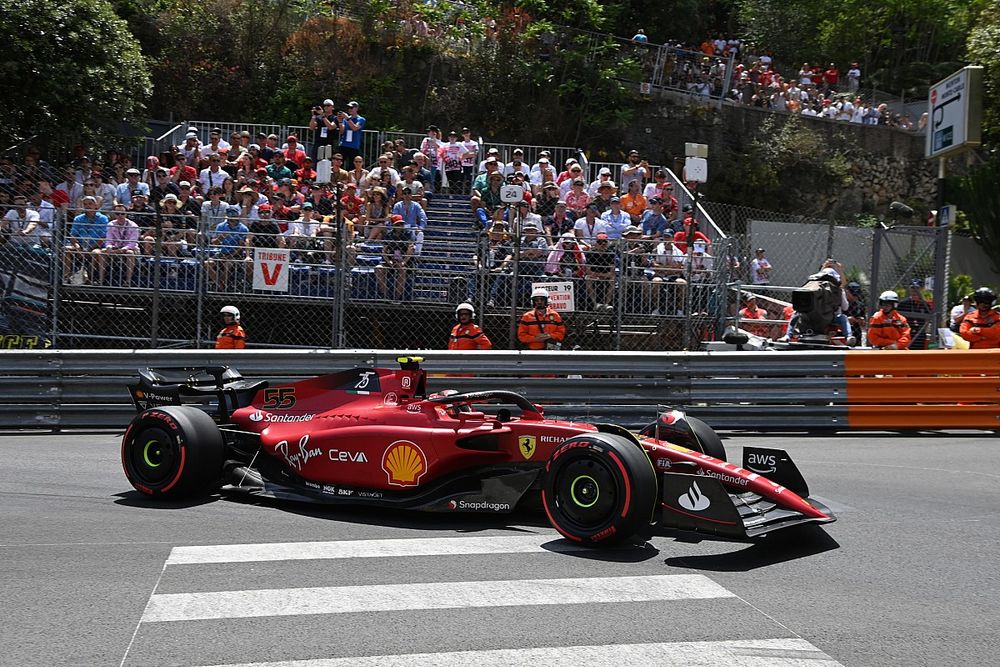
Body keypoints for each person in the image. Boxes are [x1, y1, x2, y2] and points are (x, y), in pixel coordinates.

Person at [897, 282, 933, 349]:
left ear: (921, 290)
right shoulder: (903, 304)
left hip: (920, 333)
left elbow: (928, 319)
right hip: (906, 332)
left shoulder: (925, 304)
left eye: (917, 289)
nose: (915, 291)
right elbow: (897, 318)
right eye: (913, 289)